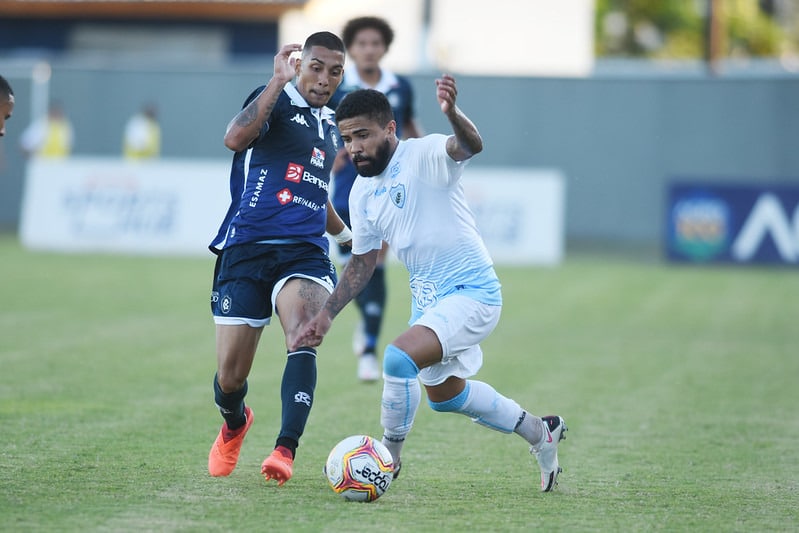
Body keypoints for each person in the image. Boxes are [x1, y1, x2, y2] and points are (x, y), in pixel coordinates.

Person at [295, 78, 568, 492]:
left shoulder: (422, 154)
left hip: (473, 292)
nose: (354, 148)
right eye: (347, 138)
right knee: (446, 396)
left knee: (397, 359)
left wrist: (452, 114)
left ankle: (387, 460)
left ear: (390, 129)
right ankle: (538, 430)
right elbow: (363, 262)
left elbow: (470, 145)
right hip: (429, 301)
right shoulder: (363, 194)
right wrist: (327, 315)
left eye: (363, 135)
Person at [207, 31, 350, 487]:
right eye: (316, 67)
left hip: (305, 252)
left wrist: (346, 236)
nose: (325, 79)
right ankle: (234, 422)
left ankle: (285, 449)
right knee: (230, 378)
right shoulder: (277, 99)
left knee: (304, 336)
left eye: (335, 71)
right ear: (298, 63)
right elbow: (234, 138)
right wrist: (275, 81)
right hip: (247, 247)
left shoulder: (331, 125)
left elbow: (315, 188)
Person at [328, 16, 423, 382]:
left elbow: (411, 128)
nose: (369, 49)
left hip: (387, 187)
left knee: (375, 261)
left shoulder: (400, 87)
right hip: (345, 188)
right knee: (350, 264)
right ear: (351, 49)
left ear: (384, 48)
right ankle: (365, 321)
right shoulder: (337, 87)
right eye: (361, 43)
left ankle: (368, 348)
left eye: (375, 43)